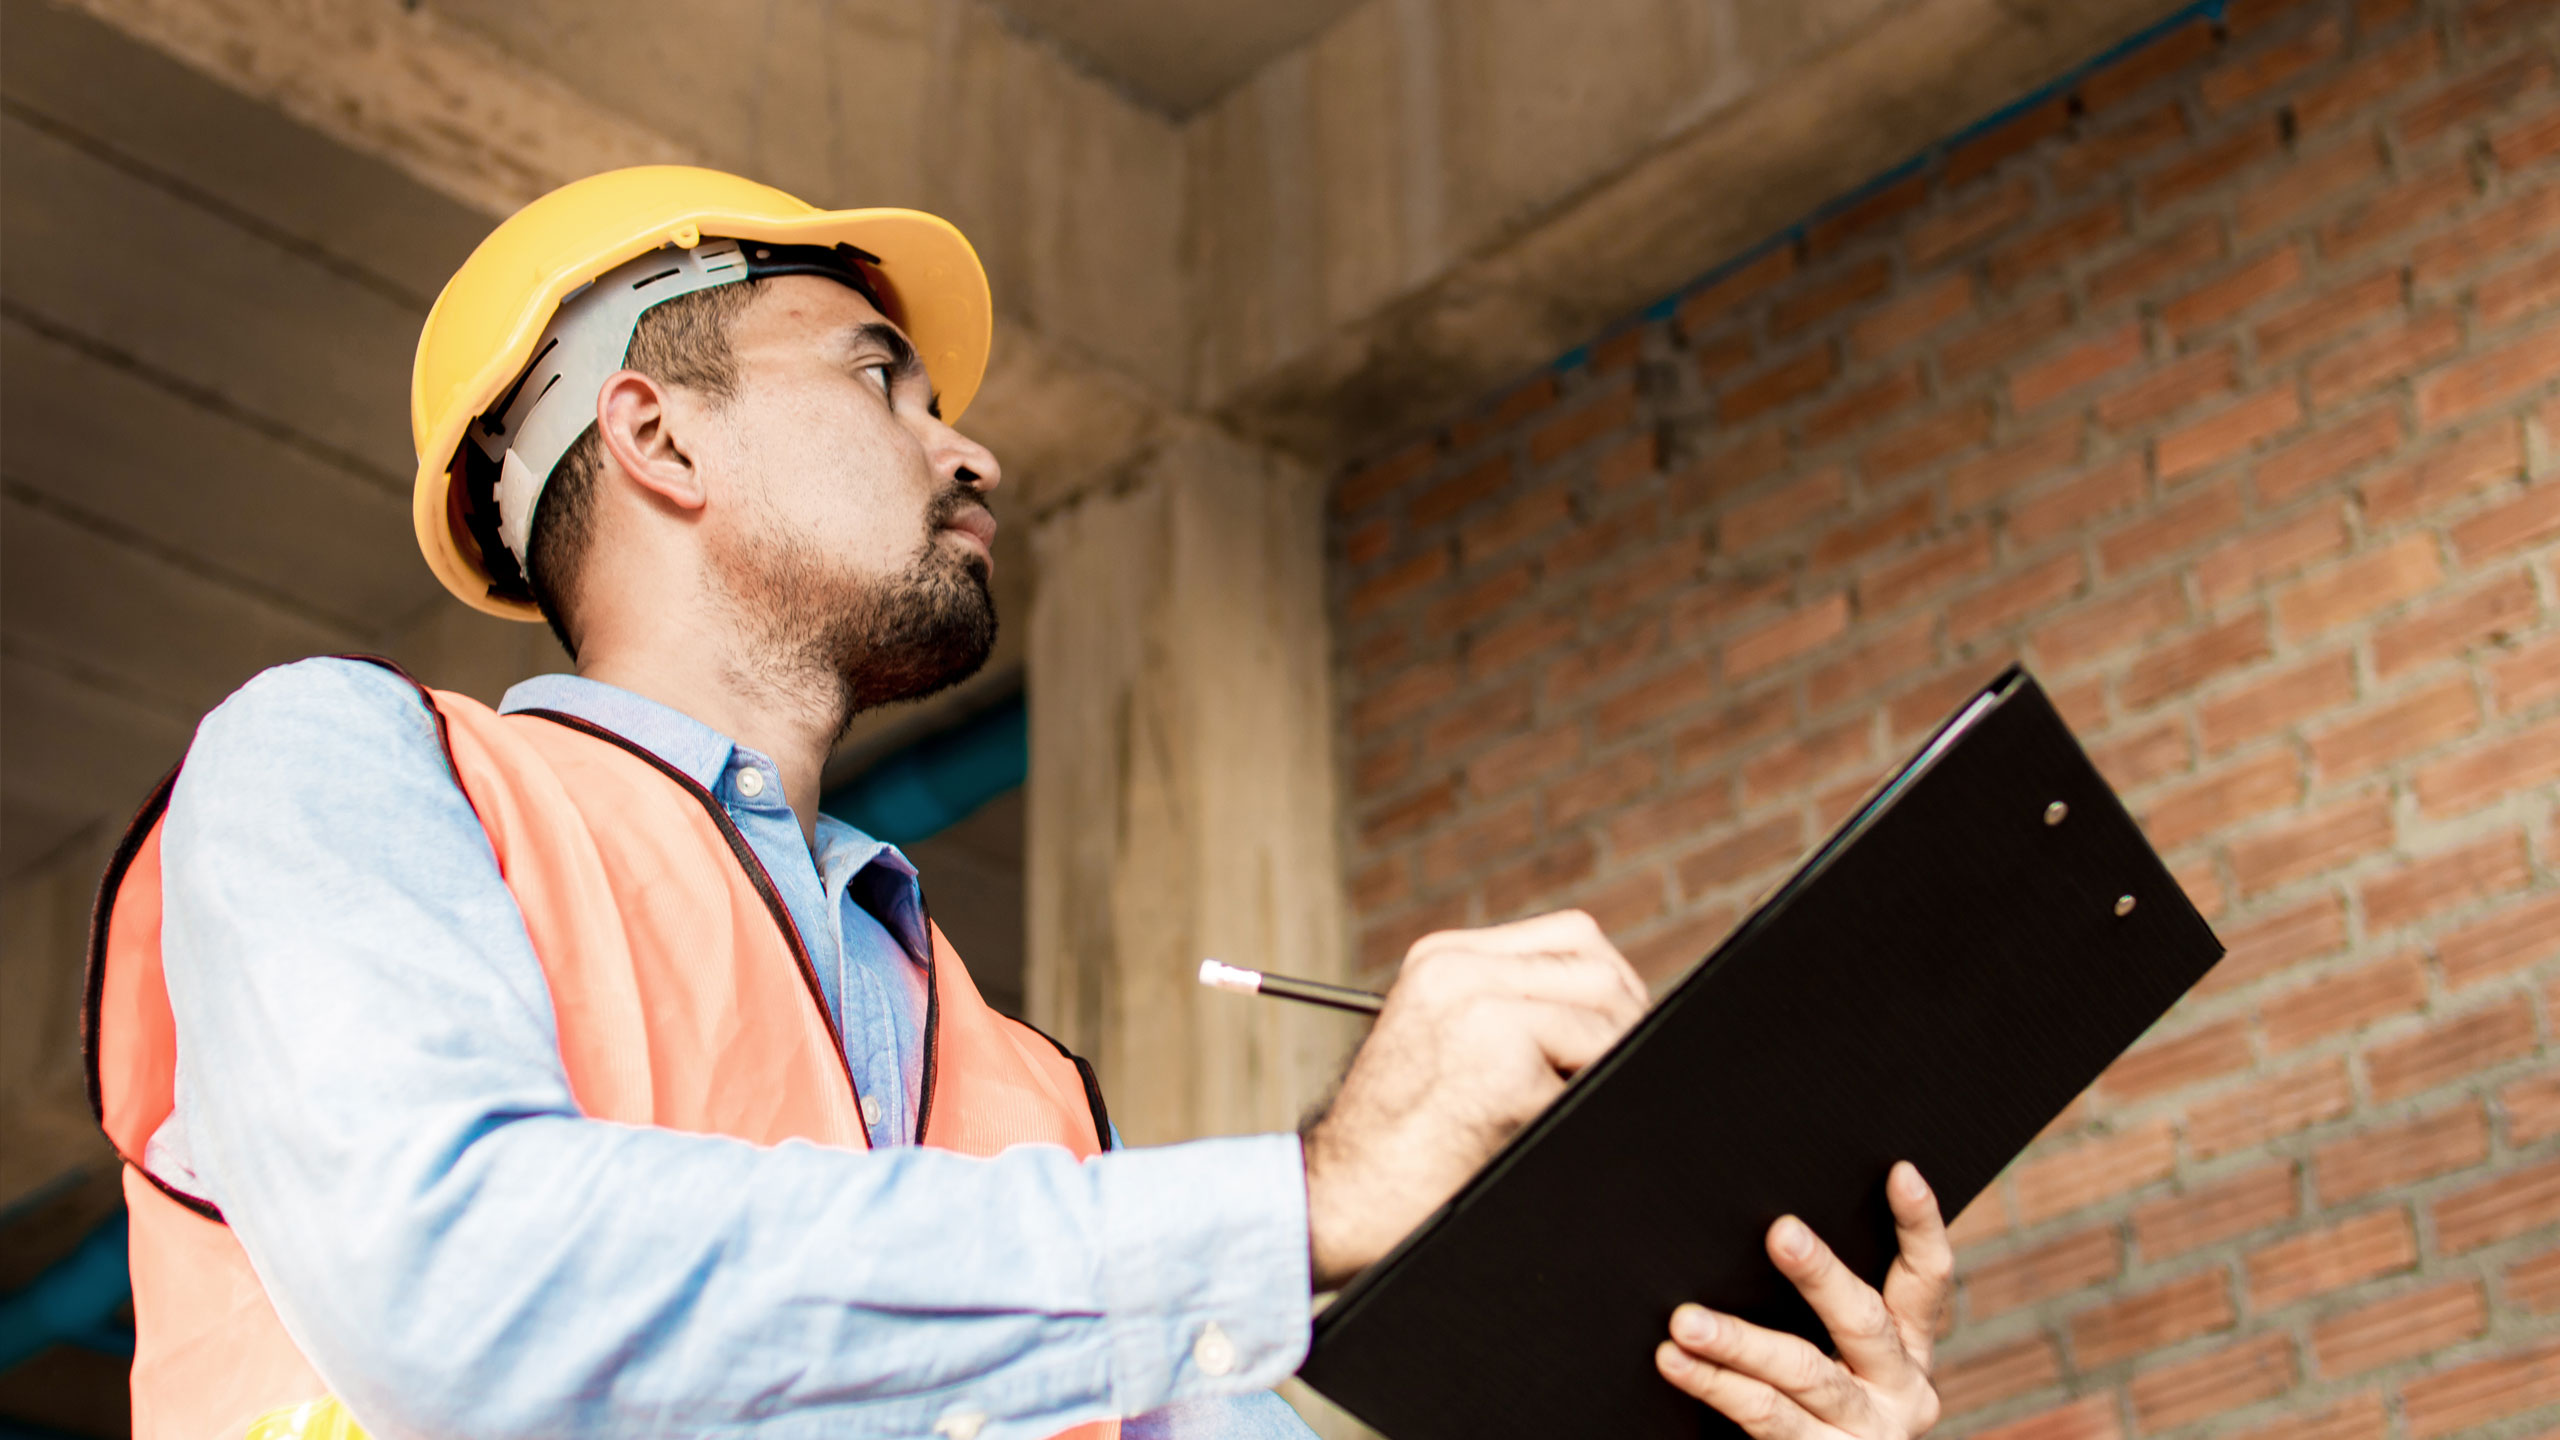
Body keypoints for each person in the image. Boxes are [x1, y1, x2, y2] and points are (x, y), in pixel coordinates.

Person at [85, 167, 1955, 1440]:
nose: (968, 445)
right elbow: (459, 1280)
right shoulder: (346, 767)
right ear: (653, 434)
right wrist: (1306, 1197)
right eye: (880, 377)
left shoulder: (1012, 1085)